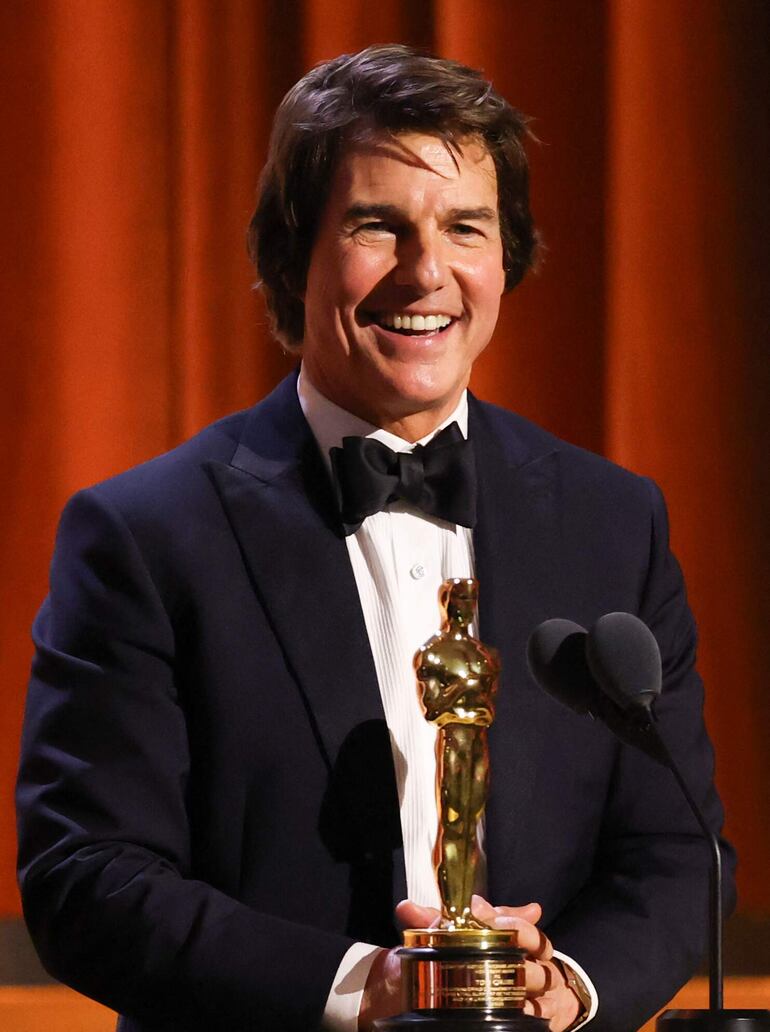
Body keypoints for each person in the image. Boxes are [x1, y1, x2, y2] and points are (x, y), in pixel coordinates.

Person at [16, 44, 734, 1032]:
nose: (425, 271)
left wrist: (562, 985)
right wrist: (367, 990)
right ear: (290, 252)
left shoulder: (614, 520)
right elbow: (83, 879)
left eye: (464, 227)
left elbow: (676, 851)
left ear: (506, 254)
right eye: (375, 225)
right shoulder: (142, 536)